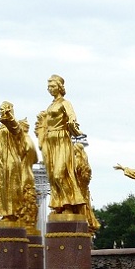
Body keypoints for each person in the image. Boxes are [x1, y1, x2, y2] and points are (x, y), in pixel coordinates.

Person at [35, 75, 85, 215]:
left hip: (61, 139)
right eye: (49, 87)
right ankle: (59, 205)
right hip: (50, 142)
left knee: (60, 173)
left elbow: (72, 116)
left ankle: (70, 204)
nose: (50, 89)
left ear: (60, 87)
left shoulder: (65, 103)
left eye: (53, 86)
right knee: (52, 175)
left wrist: (72, 123)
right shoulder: (50, 105)